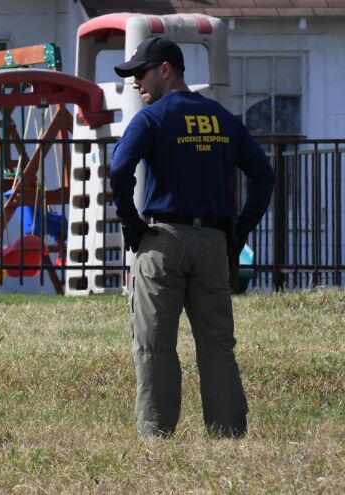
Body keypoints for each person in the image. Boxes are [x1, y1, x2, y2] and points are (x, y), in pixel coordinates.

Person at [109, 37, 275, 438]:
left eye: (140, 72)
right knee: (217, 346)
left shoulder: (152, 119)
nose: (135, 82)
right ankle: (228, 435)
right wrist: (239, 230)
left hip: (161, 241)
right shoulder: (224, 120)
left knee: (154, 345)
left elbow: (119, 171)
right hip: (213, 244)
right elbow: (264, 176)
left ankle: (156, 436)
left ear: (165, 69)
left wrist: (132, 225)